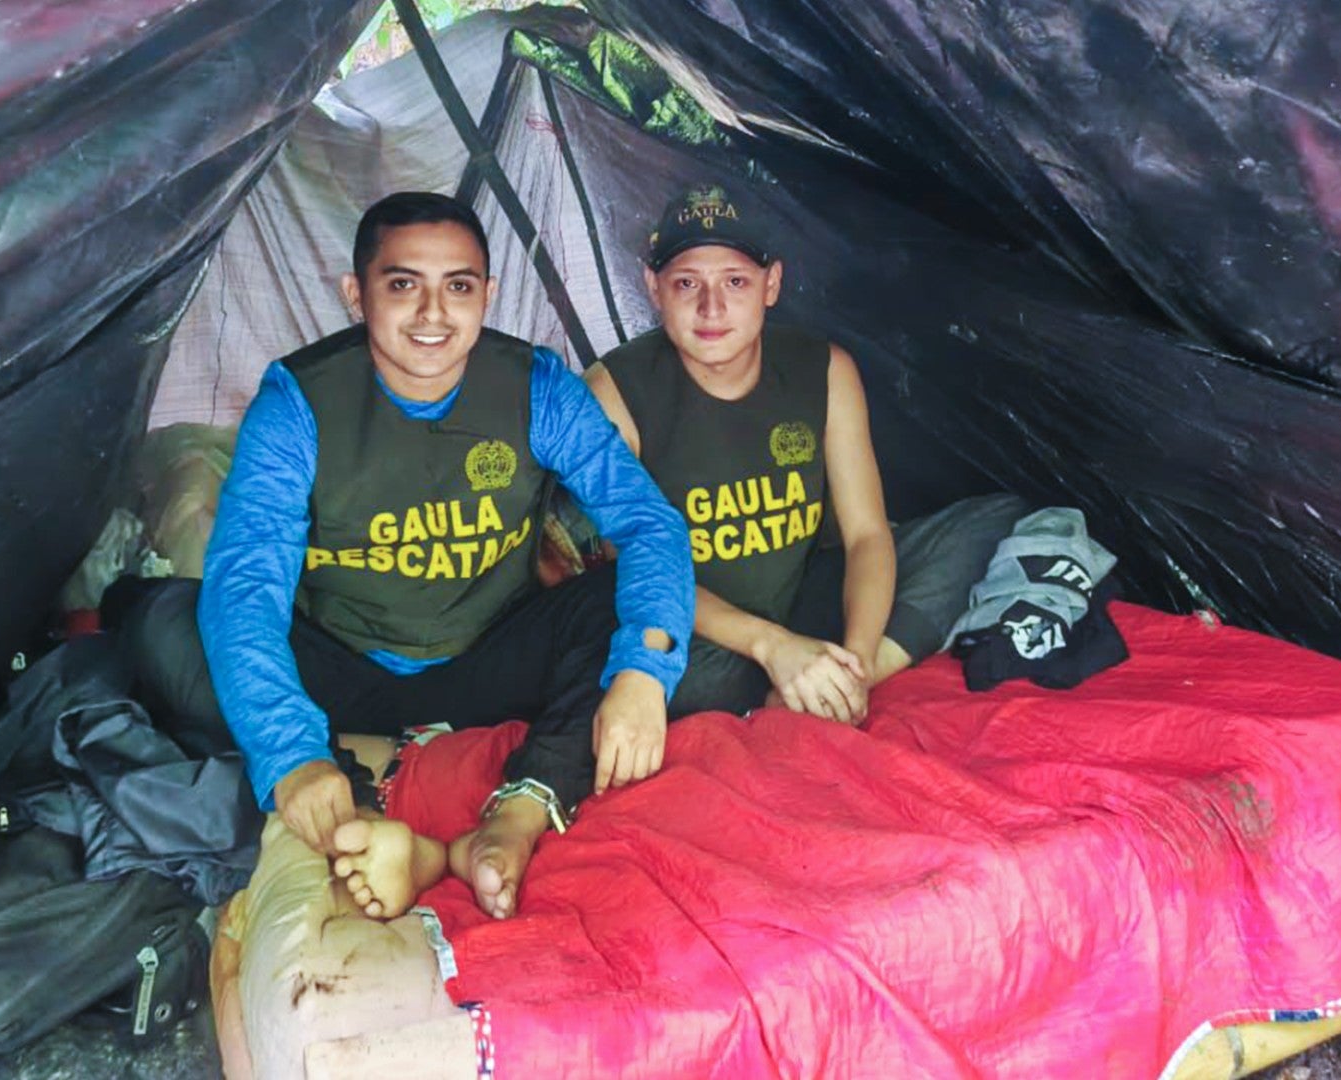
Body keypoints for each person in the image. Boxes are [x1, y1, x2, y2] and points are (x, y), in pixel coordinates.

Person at [197, 191, 693, 921]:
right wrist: (291, 755)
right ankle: (368, 818)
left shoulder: (536, 386)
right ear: (355, 295)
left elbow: (649, 524)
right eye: (403, 285)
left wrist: (645, 674)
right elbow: (246, 586)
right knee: (167, 622)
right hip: (347, 665)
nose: (433, 314)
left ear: (487, 294)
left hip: (490, 657)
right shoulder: (298, 401)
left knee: (631, 611)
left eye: (458, 286)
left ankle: (519, 812)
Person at [585, 184, 1027, 722]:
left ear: (772, 284)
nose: (712, 307)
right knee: (638, 669)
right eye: (686, 283)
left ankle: (831, 684)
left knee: (993, 522)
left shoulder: (824, 368)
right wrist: (772, 646)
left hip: (805, 598)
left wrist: (858, 660)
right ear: (653, 288)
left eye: (736, 281)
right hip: (702, 629)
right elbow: (635, 574)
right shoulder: (614, 392)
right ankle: (792, 688)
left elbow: (867, 534)